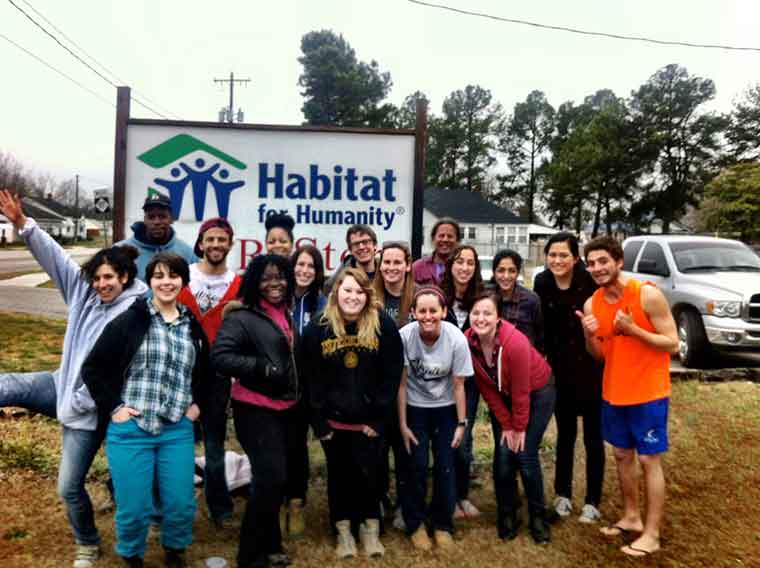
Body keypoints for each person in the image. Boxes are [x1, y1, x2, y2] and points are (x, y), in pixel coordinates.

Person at [0, 189, 148, 568]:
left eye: (109, 278)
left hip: (93, 407)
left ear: (125, 277)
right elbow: (57, 260)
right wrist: (23, 225)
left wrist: (82, 401)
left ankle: (87, 542)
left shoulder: (136, 312)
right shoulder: (84, 294)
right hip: (61, 385)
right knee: (9, 384)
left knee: (68, 486)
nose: (101, 284)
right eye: (97, 277)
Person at [81, 253, 212, 568]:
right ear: (149, 281)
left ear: (184, 281)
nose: (166, 282)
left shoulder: (191, 325)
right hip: (131, 430)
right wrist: (115, 407)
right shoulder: (131, 320)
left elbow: (208, 374)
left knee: (180, 503)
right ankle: (132, 555)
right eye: (159, 276)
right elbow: (94, 368)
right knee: (134, 506)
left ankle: (175, 550)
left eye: (173, 276)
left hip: (176, 429)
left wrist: (196, 407)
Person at [577, 235, 678, 558]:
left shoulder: (646, 294)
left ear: (618, 261)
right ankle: (631, 517)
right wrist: (589, 334)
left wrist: (634, 330)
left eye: (603, 261)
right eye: (591, 263)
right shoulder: (593, 303)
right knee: (622, 456)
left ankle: (652, 533)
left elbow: (673, 343)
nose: (597, 268)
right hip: (614, 391)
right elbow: (599, 355)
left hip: (649, 391)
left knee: (649, 459)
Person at [301, 268, 403, 560]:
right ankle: (343, 531)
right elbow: (311, 379)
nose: (353, 297)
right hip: (333, 421)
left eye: (359, 292)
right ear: (336, 293)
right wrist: (318, 421)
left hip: (369, 422)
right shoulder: (318, 327)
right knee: (339, 475)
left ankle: (370, 529)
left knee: (371, 473)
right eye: (347, 291)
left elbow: (391, 374)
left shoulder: (382, 324)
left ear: (367, 295)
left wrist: (377, 418)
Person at [211, 254, 303, 568]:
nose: (274, 283)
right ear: (254, 282)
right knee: (270, 478)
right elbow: (221, 357)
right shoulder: (242, 316)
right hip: (254, 408)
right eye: (266, 278)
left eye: (280, 277)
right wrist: (262, 368)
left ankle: (272, 544)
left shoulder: (283, 311)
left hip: (286, 409)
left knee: (275, 479)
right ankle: (249, 556)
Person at [466, 290, 556, 544]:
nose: (480, 318)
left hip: (537, 391)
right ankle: (507, 512)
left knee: (525, 453)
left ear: (498, 318)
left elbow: (521, 393)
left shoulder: (514, 342)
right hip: (503, 396)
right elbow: (486, 388)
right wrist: (506, 425)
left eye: (487, 313)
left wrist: (518, 428)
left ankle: (538, 515)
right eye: (476, 313)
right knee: (503, 455)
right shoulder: (468, 342)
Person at [533, 232, 605, 523]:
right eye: (552, 255)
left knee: (593, 437)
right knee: (565, 435)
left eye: (564, 255)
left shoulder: (589, 282)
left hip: (591, 367)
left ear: (576, 258)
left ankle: (592, 501)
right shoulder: (542, 282)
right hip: (559, 370)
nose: (557, 260)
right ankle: (562, 494)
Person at [177, 218, 241, 529]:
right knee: (176, 442)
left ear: (230, 244)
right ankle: (174, 502)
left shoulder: (237, 285)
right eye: (210, 239)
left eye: (222, 240)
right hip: (182, 372)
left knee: (215, 446)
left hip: (217, 376)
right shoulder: (182, 276)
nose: (215, 245)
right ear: (201, 243)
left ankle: (219, 504)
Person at [398, 287, 472, 551]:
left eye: (434, 311)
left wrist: (461, 424)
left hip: (446, 408)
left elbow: (460, 384)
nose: (428, 316)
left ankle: (443, 524)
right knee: (415, 465)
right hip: (415, 408)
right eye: (422, 311)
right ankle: (415, 523)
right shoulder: (404, 337)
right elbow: (402, 386)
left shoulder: (456, 339)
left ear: (443, 311)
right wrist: (403, 425)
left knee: (445, 465)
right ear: (413, 313)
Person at [370, 241, 416, 529]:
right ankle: (377, 498)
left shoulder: (417, 297)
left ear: (408, 265)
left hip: (411, 387)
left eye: (397, 262)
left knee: (405, 448)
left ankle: (404, 503)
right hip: (376, 386)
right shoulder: (369, 297)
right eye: (386, 262)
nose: (391, 267)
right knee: (376, 447)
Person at [439, 245, 483, 519]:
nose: (464, 267)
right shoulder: (439, 297)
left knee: (464, 440)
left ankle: (463, 495)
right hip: (442, 380)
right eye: (459, 261)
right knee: (446, 440)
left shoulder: (482, 299)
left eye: (470, 262)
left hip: (470, 381)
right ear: (450, 265)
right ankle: (448, 498)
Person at [115, 192, 197, 281]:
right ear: (145, 219)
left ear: (171, 219)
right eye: (151, 217)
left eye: (162, 216)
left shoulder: (187, 253)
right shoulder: (120, 250)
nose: (156, 222)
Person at [491, 249, 544, 352]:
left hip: (524, 360)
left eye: (512, 271)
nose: (506, 276)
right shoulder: (486, 297)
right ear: (494, 272)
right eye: (501, 270)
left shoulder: (531, 299)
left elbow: (540, 336)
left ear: (518, 272)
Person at [324, 224, 379, 293]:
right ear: (350, 250)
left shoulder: (386, 272)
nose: (361, 247)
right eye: (356, 244)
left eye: (365, 242)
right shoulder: (338, 281)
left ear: (375, 245)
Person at [412, 218, 461, 286]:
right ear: (433, 239)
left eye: (450, 236)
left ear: (457, 241)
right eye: (441, 236)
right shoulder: (417, 267)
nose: (445, 239)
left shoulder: (463, 268)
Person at [292, 244, 327, 335]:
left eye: (311, 266)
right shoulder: (279, 299)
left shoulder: (323, 305)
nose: (304, 270)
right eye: (301, 264)